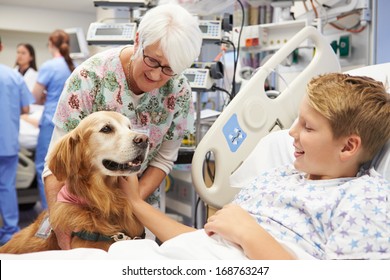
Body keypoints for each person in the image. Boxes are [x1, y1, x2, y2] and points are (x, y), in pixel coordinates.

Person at [120, 73, 390, 259]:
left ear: (348, 147)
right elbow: (202, 242)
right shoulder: (277, 178)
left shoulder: (364, 199)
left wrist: (249, 234)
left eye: (308, 127)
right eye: (297, 120)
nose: (292, 132)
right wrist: (135, 202)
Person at [42, 3, 203, 249]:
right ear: (138, 40)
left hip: (137, 207)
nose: (158, 76)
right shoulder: (89, 78)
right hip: (81, 208)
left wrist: (129, 204)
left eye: (170, 69)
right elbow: (57, 161)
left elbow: (164, 159)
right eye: (153, 61)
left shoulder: (178, 91)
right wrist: (61, 227)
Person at [33, 29, 76, 210]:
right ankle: (66, 211)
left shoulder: (49, 66)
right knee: (67, 170)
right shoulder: (72, 66)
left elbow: (35, 96)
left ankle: (49, 215)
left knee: (46, 169)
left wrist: (45, 97)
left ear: (51, 44)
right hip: (71, 123)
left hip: (51, 121)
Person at [0, 36, 35, 245]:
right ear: (2, 47)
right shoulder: (13, 77)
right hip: (7, 143)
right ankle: (10, 231)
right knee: (6, 187)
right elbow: (26, 108)